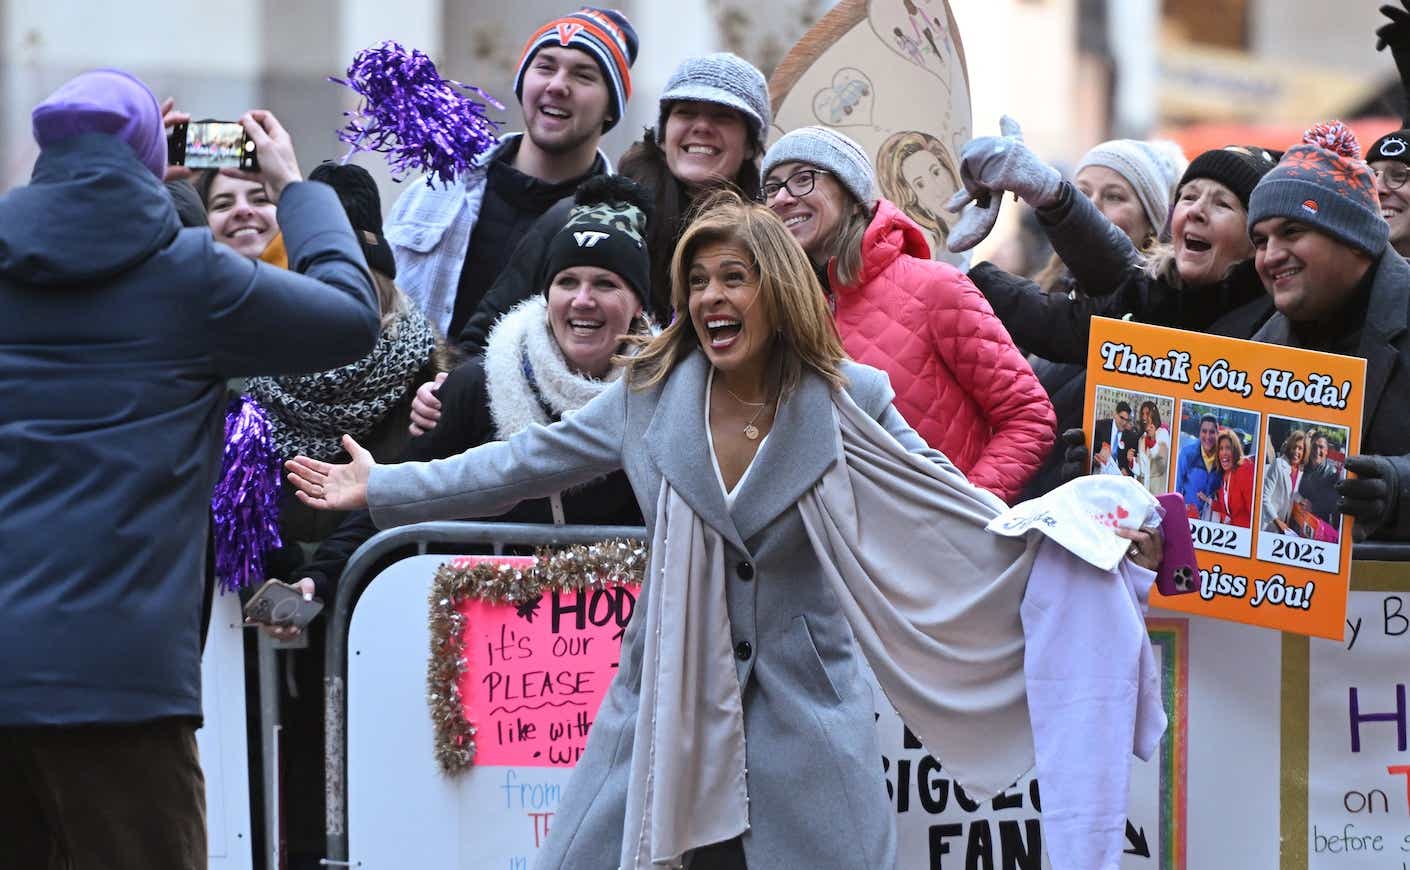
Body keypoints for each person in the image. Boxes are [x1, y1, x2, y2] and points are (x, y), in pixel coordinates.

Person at [283, 191, 1163, 869]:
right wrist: (383, 486)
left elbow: (953, 508)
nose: (710, 298)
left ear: (775, 290)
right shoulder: (646, 396)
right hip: (660, 703)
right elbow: (514, 466)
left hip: (808, 718)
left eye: (732, 278)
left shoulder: (850, 400)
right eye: (697, 281)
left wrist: (1091, 535)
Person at [0, 71, 378, 868]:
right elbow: (350, 317)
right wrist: (294, 189)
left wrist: (130, 171)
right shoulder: (189, 277)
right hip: (121, 684)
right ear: (152, 157)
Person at [296, 175, 654, 604]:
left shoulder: (661, 395)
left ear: (637, 305)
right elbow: (407, 496)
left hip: (618, 644)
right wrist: (321, 577)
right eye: (567, 281)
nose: (582, 300)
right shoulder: (480, 384)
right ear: (546, 295)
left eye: (606, 284)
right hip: (494, 647)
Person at [418, 51, 770, 434]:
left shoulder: (770, 240)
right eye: (686, 113)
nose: (701, 127)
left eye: (722, 116)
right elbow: (490, 333)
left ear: (751, 143)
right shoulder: (589, 213)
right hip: (570, 438)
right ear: (664, 128)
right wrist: (448, 392)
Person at [760, 126, 1055, 502]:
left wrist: (964, 509)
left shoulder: (936, 288)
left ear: (852, 195)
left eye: (803, 179)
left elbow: (1029, 416)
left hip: (941, 550)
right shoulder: (774, 310)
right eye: (772, 187)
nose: (784, 197)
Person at [385, 8, 639, 339]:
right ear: (522, 83)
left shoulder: (617, 227)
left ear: (610, 108)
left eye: (583, 76)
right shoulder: (436, 191)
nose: (557, 85)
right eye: (545, 67)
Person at [1246, 122, 1410, 540]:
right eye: (1260, 241)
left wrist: (1399, 484)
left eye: (1292, 231)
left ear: (1355, 239)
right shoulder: (1259, 349)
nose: (1270, 256)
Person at [874, 129, 962, 254]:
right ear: (917, 202)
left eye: (936, 172)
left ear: (947, 169)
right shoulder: (945, 259)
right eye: (920, 185)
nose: (938, 191)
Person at [1176, 415, 1223, 519]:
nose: (1207, 436)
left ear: (1217, 434)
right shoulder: (1187, 454)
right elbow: (1177, 486)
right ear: (1199, 433)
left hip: (1212, 517)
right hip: (1189, 515)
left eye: (1212, 432)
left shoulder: (1222, 458)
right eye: (1204, 431)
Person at [1262, 429, 1307, 534]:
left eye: (1300, 448)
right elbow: (1264, 498)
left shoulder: (1300, 471)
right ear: (1289, 447)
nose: (1296, 451)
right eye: (1294, 447)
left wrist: (1302, 500)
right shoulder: (1278, 464)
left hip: (1285, 527)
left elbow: (1292, 493)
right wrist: (1277, 521)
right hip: (1269, 525)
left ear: (1304, 452)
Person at [1207, 428, 1254, 528]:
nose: (1224, 453)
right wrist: (1207, 500)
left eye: (1228, 448)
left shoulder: (1244, 469)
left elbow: (1254, 513)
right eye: (1221, 448)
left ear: (1235, 450)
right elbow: (1227, 509)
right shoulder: (1226, 474)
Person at [1093, 401, 1139, 478]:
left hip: (1117, 479)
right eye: (1122, 418)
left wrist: (1126, 470)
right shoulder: (1100, 427)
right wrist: (1094, 459)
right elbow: (1092, 448)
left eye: (1127, 420)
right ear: (1115, 414)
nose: (1124, 423)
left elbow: (1131, 463)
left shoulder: (1130, 437)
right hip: (1099, 475)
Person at [1139, 405, 1170, 495]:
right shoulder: (1142, 438)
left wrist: (1153, 442)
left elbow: (1162, 466)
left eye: (1147, 414)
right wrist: (1132, 463)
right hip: (1144, 494)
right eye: (1142, 414)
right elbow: (1142, 471)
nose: (1144, 417)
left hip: (1158, 494)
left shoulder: (1162, 433)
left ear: (1154, 416)